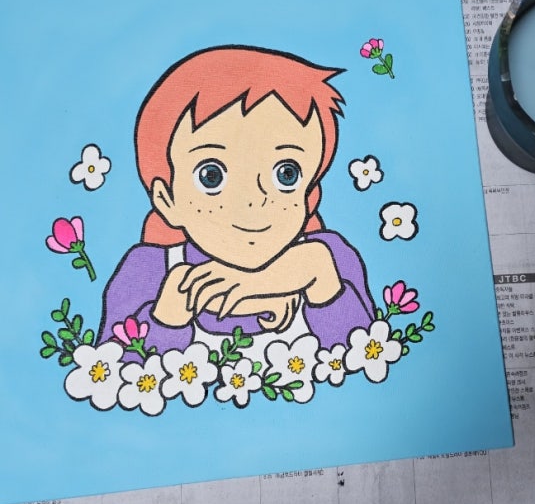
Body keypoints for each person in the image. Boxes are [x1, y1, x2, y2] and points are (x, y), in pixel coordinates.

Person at [98, 45, 375, 359]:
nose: (253, 200)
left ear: (310, 197)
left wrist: (324, 287)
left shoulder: (329, 259)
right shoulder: (148, 272)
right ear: (167, 200)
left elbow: (373, 361)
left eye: (287, 174)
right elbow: (107, 374)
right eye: (211, 176)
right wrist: (167, 318)